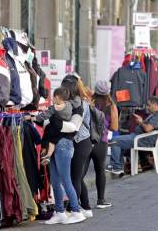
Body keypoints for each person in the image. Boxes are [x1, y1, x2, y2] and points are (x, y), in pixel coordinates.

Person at [49, 73, 93, 218]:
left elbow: (74, 126)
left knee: (74, 178)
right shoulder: (70, 103)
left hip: (81, 142)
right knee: (77, 177)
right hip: (76, 142)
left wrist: (55, 122)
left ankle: (73, 210)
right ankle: (85, 208)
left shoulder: (80, 104)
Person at [108, 96, 158, 173]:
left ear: (155, 105)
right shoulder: (156, 114)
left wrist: (140, 121)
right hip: (139, 137)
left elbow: (147, 129)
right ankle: (120, 167)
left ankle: (116, 167)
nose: (147, 107)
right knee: (119, 142)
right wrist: (141, 120)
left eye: (149, 105)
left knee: (114, 141)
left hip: (143, 139)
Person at [83, 80, 118, 209]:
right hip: (101, 142)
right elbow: (114, 127)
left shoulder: (89, 102)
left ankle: (78, 201)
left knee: (81, 173)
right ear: (108, 91)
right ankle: (100, 200)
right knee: (100, 171)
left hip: (86, 140)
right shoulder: (111, 106)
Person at [28, 87, 73, 165]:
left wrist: (33, 118)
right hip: (64, 130)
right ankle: (47, 155)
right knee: (53, 141)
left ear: (57, 97)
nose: (52, 100)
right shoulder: (69, 105)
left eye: (53, 98)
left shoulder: (54, 108)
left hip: (55, 128)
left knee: (48, 136)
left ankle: (46, 154)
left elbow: (44, 116)